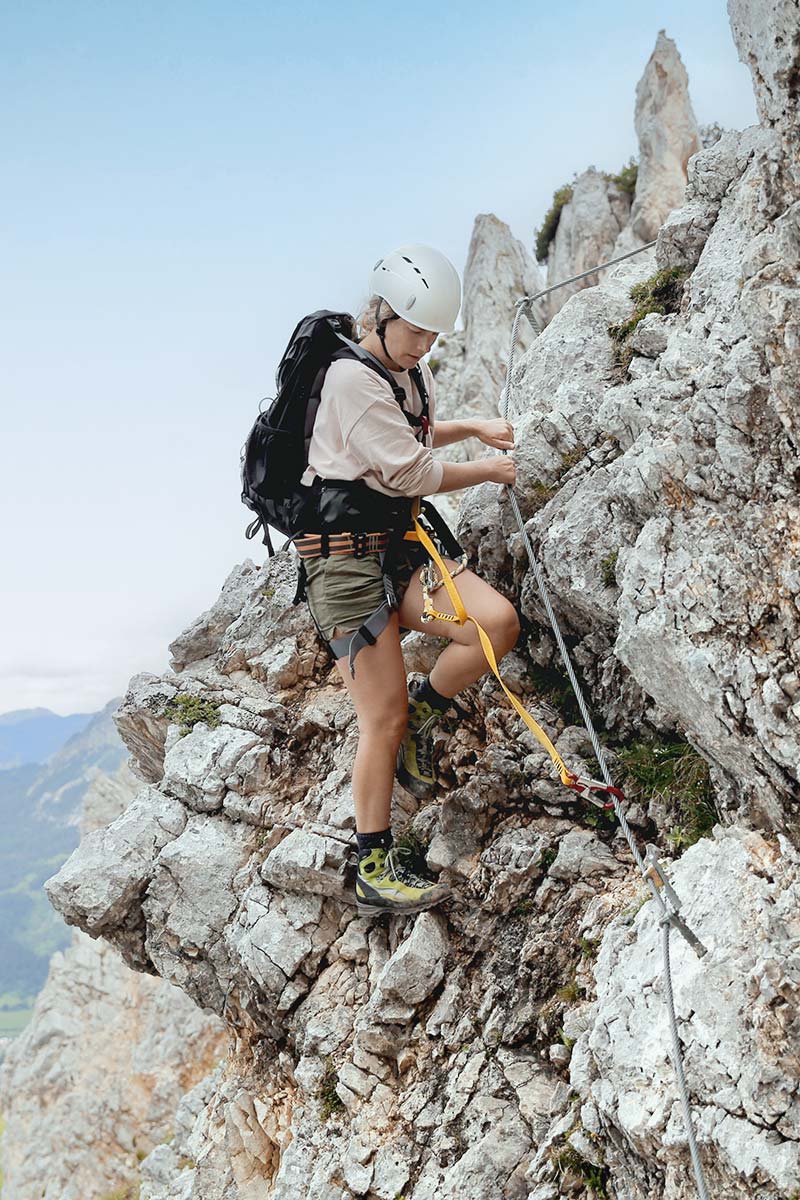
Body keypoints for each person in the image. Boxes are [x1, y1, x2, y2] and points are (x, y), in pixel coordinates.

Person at [299, 244, 519, 915]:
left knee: (497, 624)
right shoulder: (349, 379)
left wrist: (470, 426)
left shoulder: (404, 374)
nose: (423, 344)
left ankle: (428, 712)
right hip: (344, 566)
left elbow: (413, 436)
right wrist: (484, 467)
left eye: (432, 334)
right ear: (381, 314)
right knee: (380, 716)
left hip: (399, 548)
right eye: (415, 330)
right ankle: (372, 863)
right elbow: (409, 472)